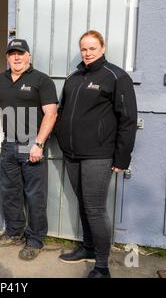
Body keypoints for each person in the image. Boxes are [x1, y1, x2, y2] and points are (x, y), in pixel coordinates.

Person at [55, 30, 137, 278]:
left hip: (98, 155)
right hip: (72, 154)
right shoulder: (74, 76)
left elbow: (128, 119)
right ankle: (88, 247)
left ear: (102, 48)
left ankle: (102, 266)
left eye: (92, 48)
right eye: (83, 48)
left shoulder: (116, 76)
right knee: (84, 203)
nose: (87, 53)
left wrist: (122, 157)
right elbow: (63, 110)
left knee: (95, 208)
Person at [0, 39, 58, 260]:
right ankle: (14, 232)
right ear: (7, 57)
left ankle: (35, 240)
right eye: (12, 54)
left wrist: (38, 143)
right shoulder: (1, 79)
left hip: (31, 143)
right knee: (10, 191)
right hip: (8, 143)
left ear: (28, 56)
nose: (16, 57)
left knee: (35, 195)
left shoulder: (41, 80)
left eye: (20, 53)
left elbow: (51, 113)